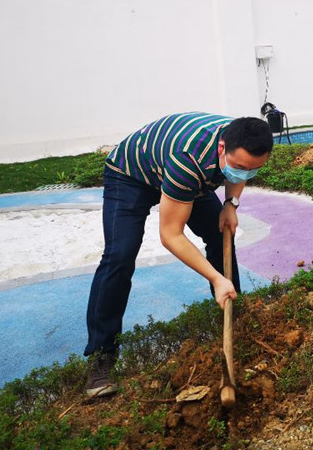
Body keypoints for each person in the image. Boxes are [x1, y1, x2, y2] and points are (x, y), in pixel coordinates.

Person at [84, 112, 274, 397]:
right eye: (238, 167)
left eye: (252, 170)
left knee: (218, 232)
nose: (244, 174)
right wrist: (216, 277)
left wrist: (231, 204)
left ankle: (233, 314)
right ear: (221, 148)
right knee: (119, 256)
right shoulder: (188, 162)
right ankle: (102, 356)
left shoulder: (244, 137)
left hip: (182, 174)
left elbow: (241, 168)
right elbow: (171, 235)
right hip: (131, 176)